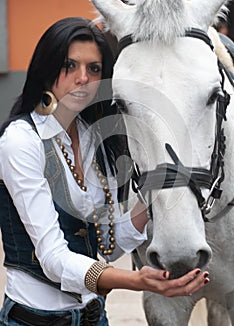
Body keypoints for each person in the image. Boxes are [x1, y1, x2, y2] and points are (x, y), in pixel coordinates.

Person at [0, 17, 209, 326]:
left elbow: (108, 245)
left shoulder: (95, 138)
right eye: (69, 66)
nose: (83, 78)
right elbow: (53, 258)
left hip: (95, 316)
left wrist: (161, 187)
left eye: (94, 69)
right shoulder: (21, 141)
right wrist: (138, 281)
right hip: (34, 320)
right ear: (46, 70)